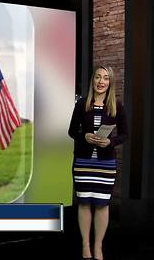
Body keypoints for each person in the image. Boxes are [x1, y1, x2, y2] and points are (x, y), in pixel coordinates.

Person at [68, 65, 128, 260]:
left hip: (105, 164)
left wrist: (111, 141)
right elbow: (71, 131)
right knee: (84, 204)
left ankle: (98, 247)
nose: (101, 82)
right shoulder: (82, 103)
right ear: (92, 80)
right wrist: (84, 136)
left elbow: (124, 134)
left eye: (105, 78)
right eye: (97, 77)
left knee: (102, 205)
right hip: (84, 162)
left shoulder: (116, 106)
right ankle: (85, 246)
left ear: (110, 82)